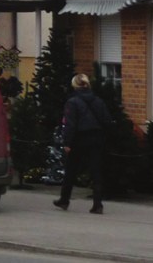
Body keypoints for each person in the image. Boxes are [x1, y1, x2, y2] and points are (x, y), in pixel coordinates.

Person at [54, 73, 112, 215]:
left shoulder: (72, 102)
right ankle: (98, 204)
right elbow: (107, 121)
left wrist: (67, 142)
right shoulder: (98, 101)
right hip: (96, 138)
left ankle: (64, 200)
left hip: (78, 139)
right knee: (96, 171)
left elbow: (70, 124)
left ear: (74, 85)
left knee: (71, 171)